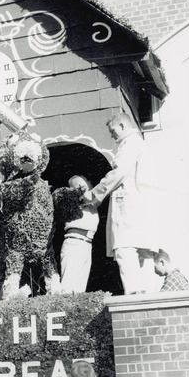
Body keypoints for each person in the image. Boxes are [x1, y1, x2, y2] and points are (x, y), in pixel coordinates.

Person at [83, 112, 158, 294]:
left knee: (124, 248)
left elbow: (118, 173)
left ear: (122, 126)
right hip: (138, 204)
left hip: (128, 205)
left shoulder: (129, 144)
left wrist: (93, 194)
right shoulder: (138, 143)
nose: (111, 134)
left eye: (113, 130)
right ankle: (144, 292)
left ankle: (134, 294)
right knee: (139, 251)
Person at [60, 176, 99, 293]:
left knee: (80, 289)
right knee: (68, 287)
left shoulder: (92, 202)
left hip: (86, 244)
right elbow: (76, 185)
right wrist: (80, 186)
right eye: (86, 181)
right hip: (75, 242)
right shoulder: (75, 199)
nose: (89, 182)